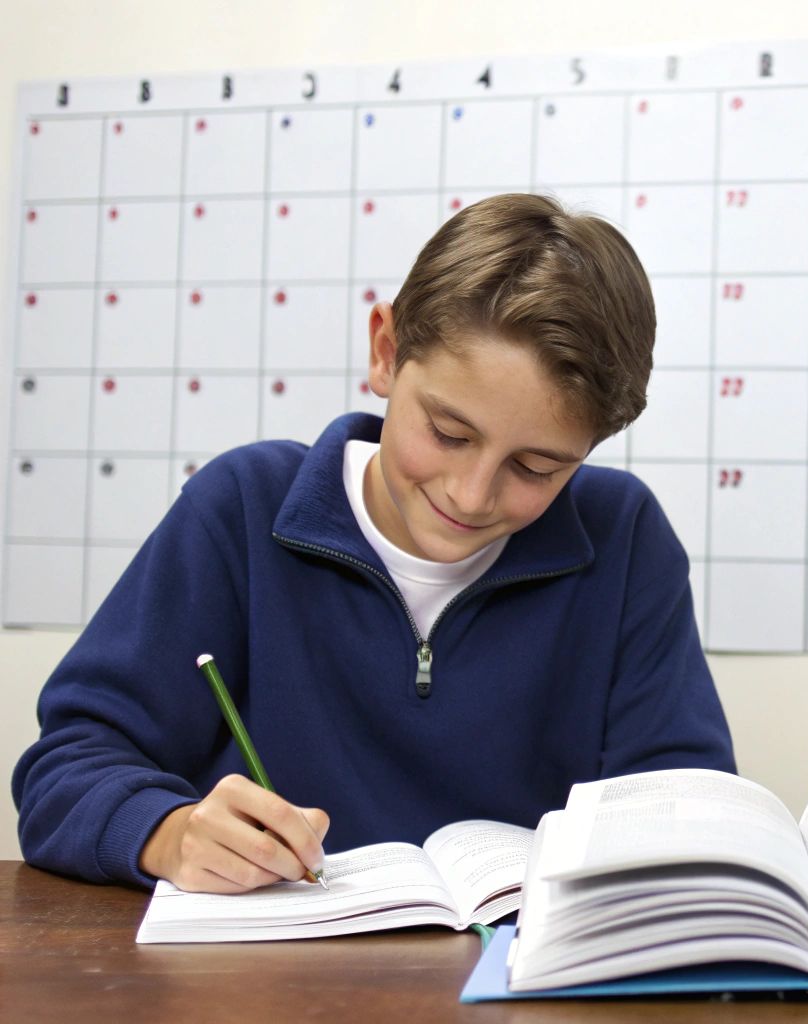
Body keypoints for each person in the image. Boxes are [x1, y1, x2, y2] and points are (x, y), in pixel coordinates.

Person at [12, 194, 735, 892]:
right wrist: (167, 832)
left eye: (535, 468)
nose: (471, 494)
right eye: (449, 434)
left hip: (515, 981)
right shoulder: (240, 508)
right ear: (387, 352)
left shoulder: (624, 537)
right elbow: (66, 768)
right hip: (267, 988)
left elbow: (682, 805)